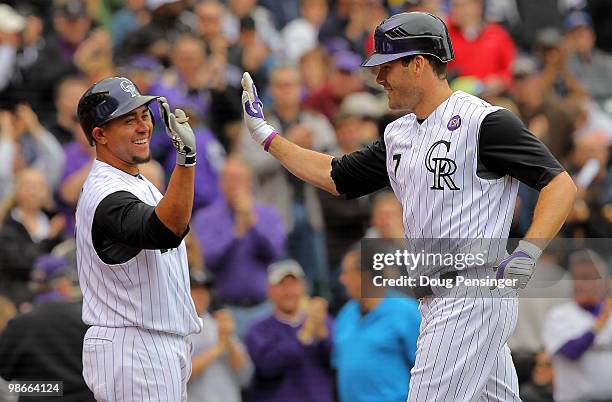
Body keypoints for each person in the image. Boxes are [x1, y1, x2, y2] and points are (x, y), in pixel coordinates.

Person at [240, 11, 576, 401]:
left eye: (386, 66)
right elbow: (336, 175)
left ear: (417, 64)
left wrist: (529, 251)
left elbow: (559, 183)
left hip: (470, 292)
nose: (379, 78)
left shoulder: (485, 122)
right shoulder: (398, 133)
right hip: (439, 297)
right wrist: (267, 137)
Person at [75, 76, 202, 401]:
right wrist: (186, 161)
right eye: (128, 120)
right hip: (134, 348)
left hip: (153, 344)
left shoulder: (135, 180)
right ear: (99, 134)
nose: (143, 126)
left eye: (144, 115)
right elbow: (165, 230)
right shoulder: (105, 193)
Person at [192, 156, 286, 339]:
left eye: (239, 178)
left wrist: (252, 224)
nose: (234, 184)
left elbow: (276, 253)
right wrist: (236, 232)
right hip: (225, 310)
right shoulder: (206, 217)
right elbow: (207, 260)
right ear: (220, 183)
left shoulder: (268, 214)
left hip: (264, 307)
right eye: (228, 179)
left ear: (250, 182)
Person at [0, 255, 94, 402]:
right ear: (64, 284)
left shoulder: (19, 323)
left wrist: (41, 389)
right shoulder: (86, 320)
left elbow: (5, 377)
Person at [333, 248, 420, 402]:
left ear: (365, 276)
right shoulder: (345, 314)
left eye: (347, 273)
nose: (342, 279)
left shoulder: (406, 312)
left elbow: (428, 368)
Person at [244, 259, 334, 402]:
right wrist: (305, 334)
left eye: (294, 284)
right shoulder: (259, 330)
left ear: (303, 287)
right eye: (282, 285)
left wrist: (322, 332)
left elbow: (336, 359)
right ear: (269, 291)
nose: (289, 291)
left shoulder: (323, 321)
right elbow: (267, 366)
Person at [542, 249, 612, 402]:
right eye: (576, 278)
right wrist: (599, 323)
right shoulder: (559, 315)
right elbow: (571, 351)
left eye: (588, 278)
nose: (580, 284)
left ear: (604, 282)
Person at [187, 271, 253, 402]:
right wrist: (218, 348)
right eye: (195, 290)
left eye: (204, 290)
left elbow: (246, 375)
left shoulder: (220, 324)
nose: (201, 296)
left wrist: (228, 340)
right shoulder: (178, 329)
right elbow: (181, 375)